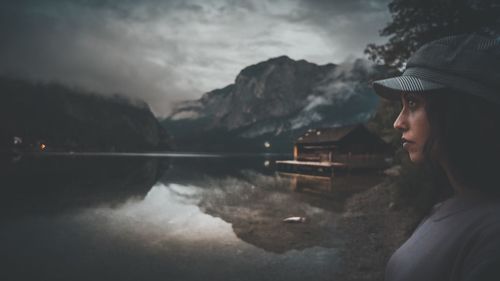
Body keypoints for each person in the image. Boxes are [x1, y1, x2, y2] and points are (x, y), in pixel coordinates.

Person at [372, 34, 500, 281]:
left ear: (459, 111)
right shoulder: (446, 204)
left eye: (412, 103)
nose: (398, 122)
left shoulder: (493, 237)